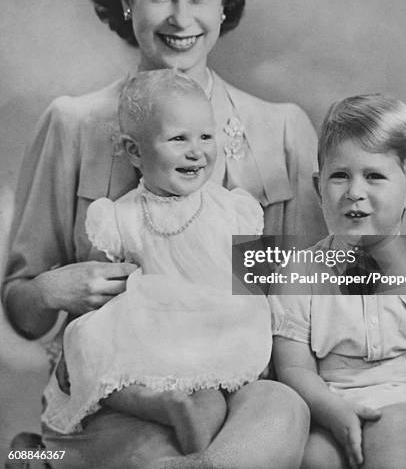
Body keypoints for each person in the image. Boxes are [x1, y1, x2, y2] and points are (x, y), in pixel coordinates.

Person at [1, 0, 406, 467]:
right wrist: (49, 290)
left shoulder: (282, 128)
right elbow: (23, 310)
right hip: (120, 394)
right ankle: (44, 455)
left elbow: (330, 288)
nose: (179, 17)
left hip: (246, 386)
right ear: (126, 0)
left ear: (224, 7)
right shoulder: (73, 123)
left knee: (282, 413)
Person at [42, 69, 273, 454]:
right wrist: (81, 344)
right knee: (104, 377)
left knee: (209, 403)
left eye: (205, 136)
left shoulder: (232, 209)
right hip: (148, 336)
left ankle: (192, 448)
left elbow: (254, 283)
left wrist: (260, 344)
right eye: (179, 138)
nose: (196, 150)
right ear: (134, 151)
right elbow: (102, 288)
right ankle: (164, 405)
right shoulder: (120, 216)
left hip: (211, 337)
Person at [270, 94, 406, 469]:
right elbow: (294, 368)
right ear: (320, 187)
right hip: (331, 403)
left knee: (392, 433)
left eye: (374, 176)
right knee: (311, 456)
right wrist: (334, 411)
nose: (354, 192)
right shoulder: (299, 273)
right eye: (340, 176)